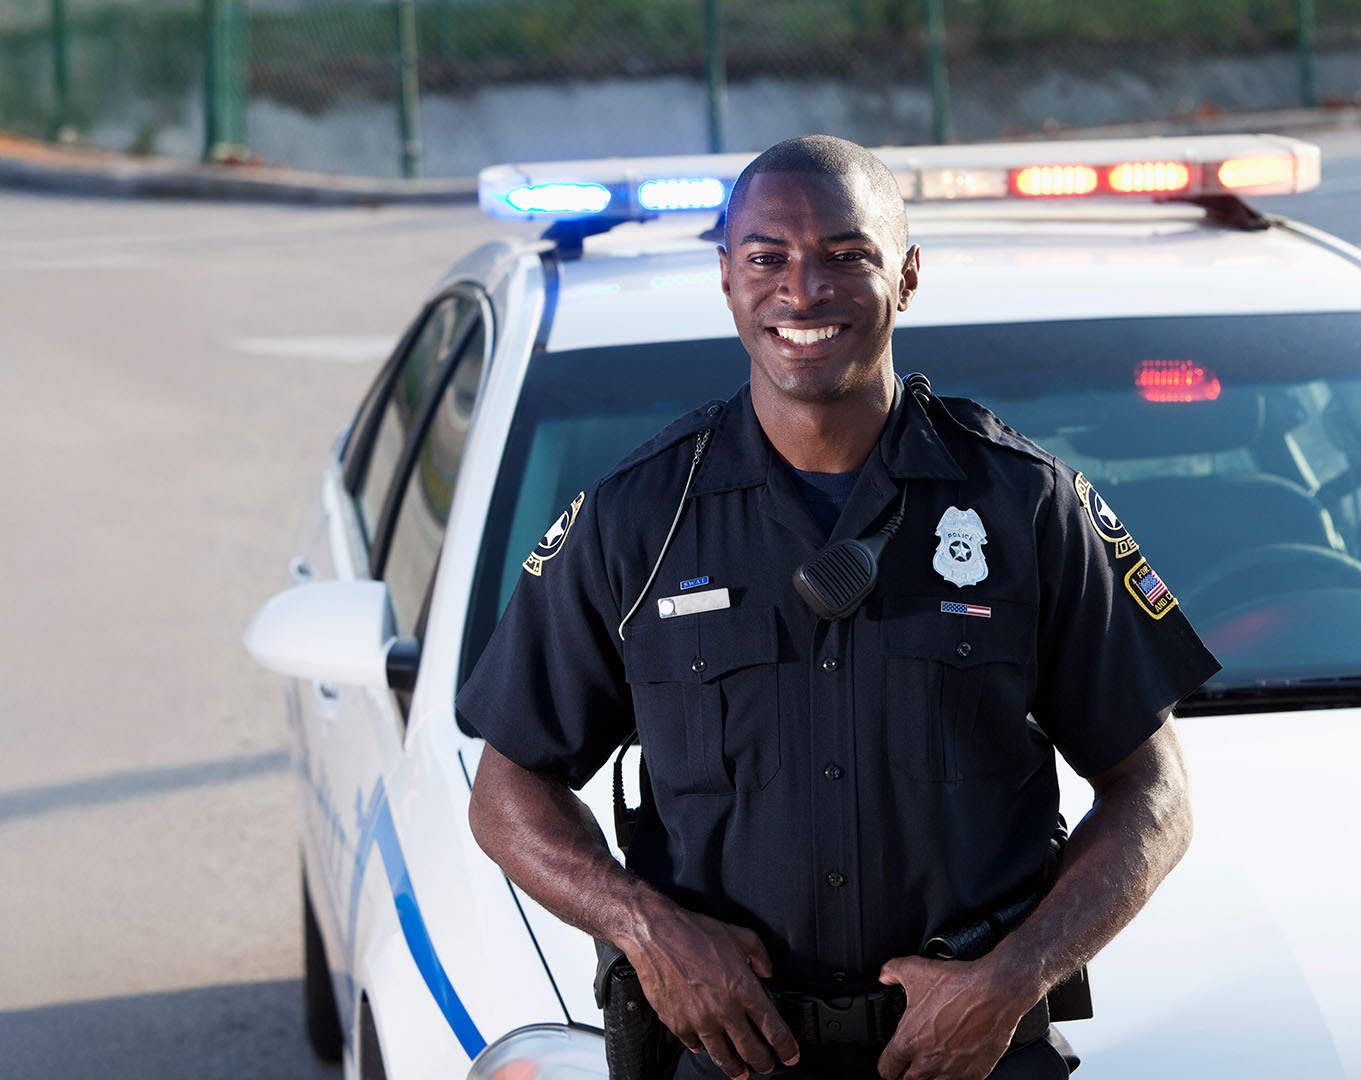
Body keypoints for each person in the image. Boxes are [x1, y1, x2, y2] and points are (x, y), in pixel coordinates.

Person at [457, 134, 1220, 1080]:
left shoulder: (1022, 506)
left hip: (972, 1060)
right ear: (728, 281)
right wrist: (646, 930)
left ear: (904, 279)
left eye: (846, 257)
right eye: (767, 257)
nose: (803, 290)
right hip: (731, 1061)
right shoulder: (636, 521)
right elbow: (506, 793)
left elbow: (1156, 793)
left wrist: (1013, 978)